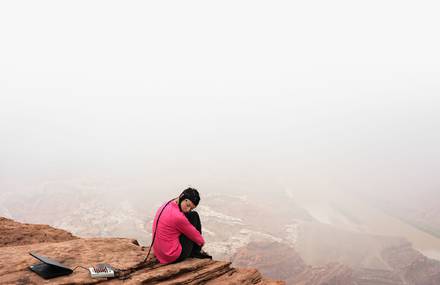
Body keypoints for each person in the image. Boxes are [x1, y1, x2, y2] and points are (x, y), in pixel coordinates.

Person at [151, 187, 212, 264]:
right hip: (171, 256)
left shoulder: (165, 204)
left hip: (159, 252)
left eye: (191, 208)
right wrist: (201, 243)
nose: (188, 209)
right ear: (183, 198)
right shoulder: (178, 217)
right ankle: (196, 251)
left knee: (190, 215)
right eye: (188, 205)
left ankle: (195, 250)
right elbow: (196, 237)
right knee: (194, 216)